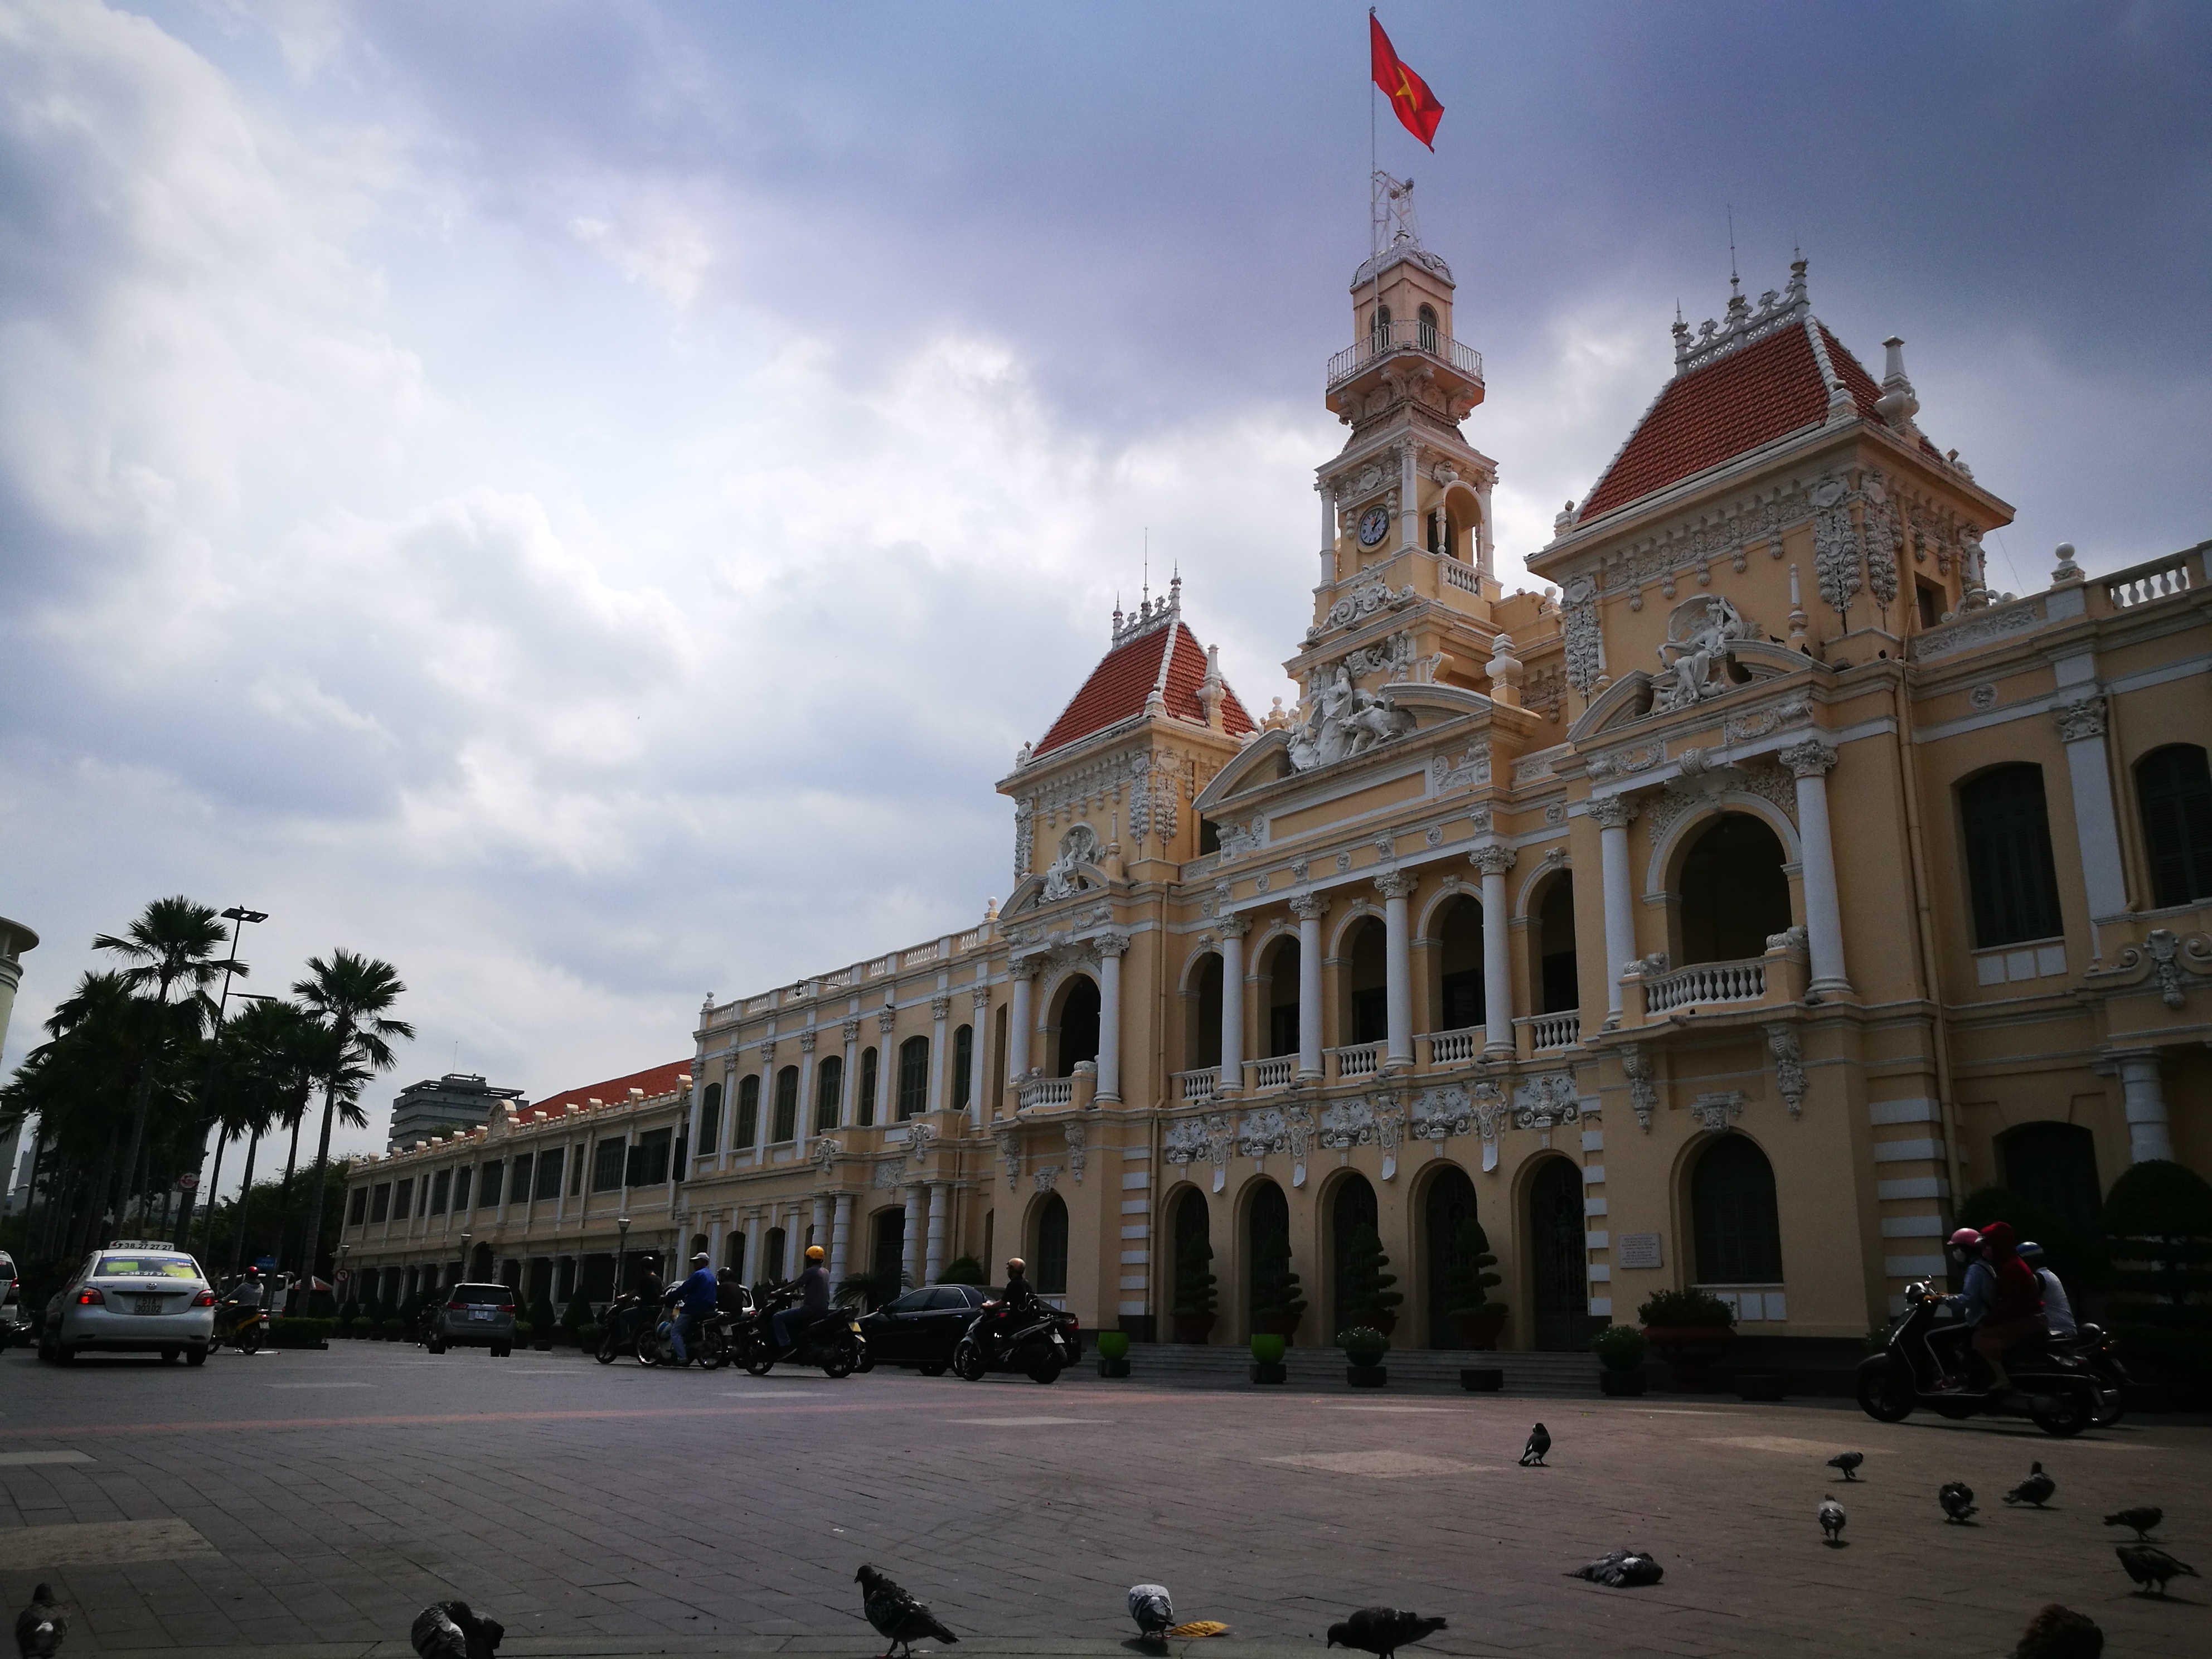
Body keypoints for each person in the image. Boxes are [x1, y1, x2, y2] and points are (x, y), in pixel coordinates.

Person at [1965, 1221, 2043, 1392]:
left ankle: (2002, 1380)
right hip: (2028, 1318)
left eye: (1988, 1245)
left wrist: (1990, 1322)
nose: (1986, 1250)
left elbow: (2012, 1305)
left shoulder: (2012, 1269)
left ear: (1998, 1245)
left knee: (1980, 1338)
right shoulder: (2011, 1264)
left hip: (2028, 1320)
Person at [771, 1245, 831, 1355]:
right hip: (823, 1309)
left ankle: (785, 1346)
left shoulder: (811, 1271)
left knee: (778, 1317)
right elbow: (817, 1290)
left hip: (810, 1310)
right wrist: (800, 1296)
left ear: (809, 1258)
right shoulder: (825, 1272)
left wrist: (779, 1292)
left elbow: (796, 1285)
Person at [2019, 1240, 2076, 1338]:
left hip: (2056, 1330)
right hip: (2065, 1329)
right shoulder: (2049, 1275)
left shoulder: (2038, 1278)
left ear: (2028, 1262)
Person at [668, 1252, 717, 1365]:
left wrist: (670, 1297)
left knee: (675, 1332)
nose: (695, 1264)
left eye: (697, 1262)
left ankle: (682, 1358)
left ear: (704, 1262)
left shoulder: (698, 1275)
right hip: (709, 1309)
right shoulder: (711, 1277)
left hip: (693, 1308)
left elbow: (684, 1289)